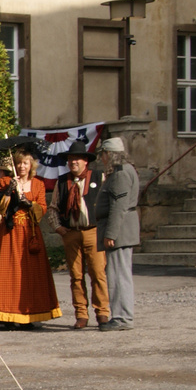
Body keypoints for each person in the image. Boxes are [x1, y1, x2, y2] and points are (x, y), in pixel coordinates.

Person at [0, 149, 62, 327]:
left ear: (31, 166)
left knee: (29, 275)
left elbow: (43, 209)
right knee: (9, 273)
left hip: (30, 233)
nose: (22, 166)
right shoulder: (6, 181)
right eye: (19, 163)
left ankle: (29, 315)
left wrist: (30, 204)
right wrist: (9, 191)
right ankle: (7, 314)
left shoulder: (37, 184)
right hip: (10, 232)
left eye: (25, 163)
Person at [53, 140, 109, 330]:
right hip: (71, 232)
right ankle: (81, 314)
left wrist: (106, 229)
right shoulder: (62, 181)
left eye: (76, 158)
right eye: (70, 159)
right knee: (76, 277)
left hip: (93, 231)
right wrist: (58, 228)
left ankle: (102, 312)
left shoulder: (99, 177)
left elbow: (107, 204)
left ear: (86, 160)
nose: (73, 162)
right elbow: (53, 208)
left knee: (98, 274)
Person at [95, 136, 140, 331]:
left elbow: (118, 206)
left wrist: (111, 234)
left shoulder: (120, 174)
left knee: (118, 275)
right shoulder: (122, 171)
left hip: (120, 230)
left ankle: (122, 317)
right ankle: (121, 316)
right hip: (121, 229)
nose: (101, 159)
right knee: (118, 273)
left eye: (102, 155)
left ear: (109, 154)